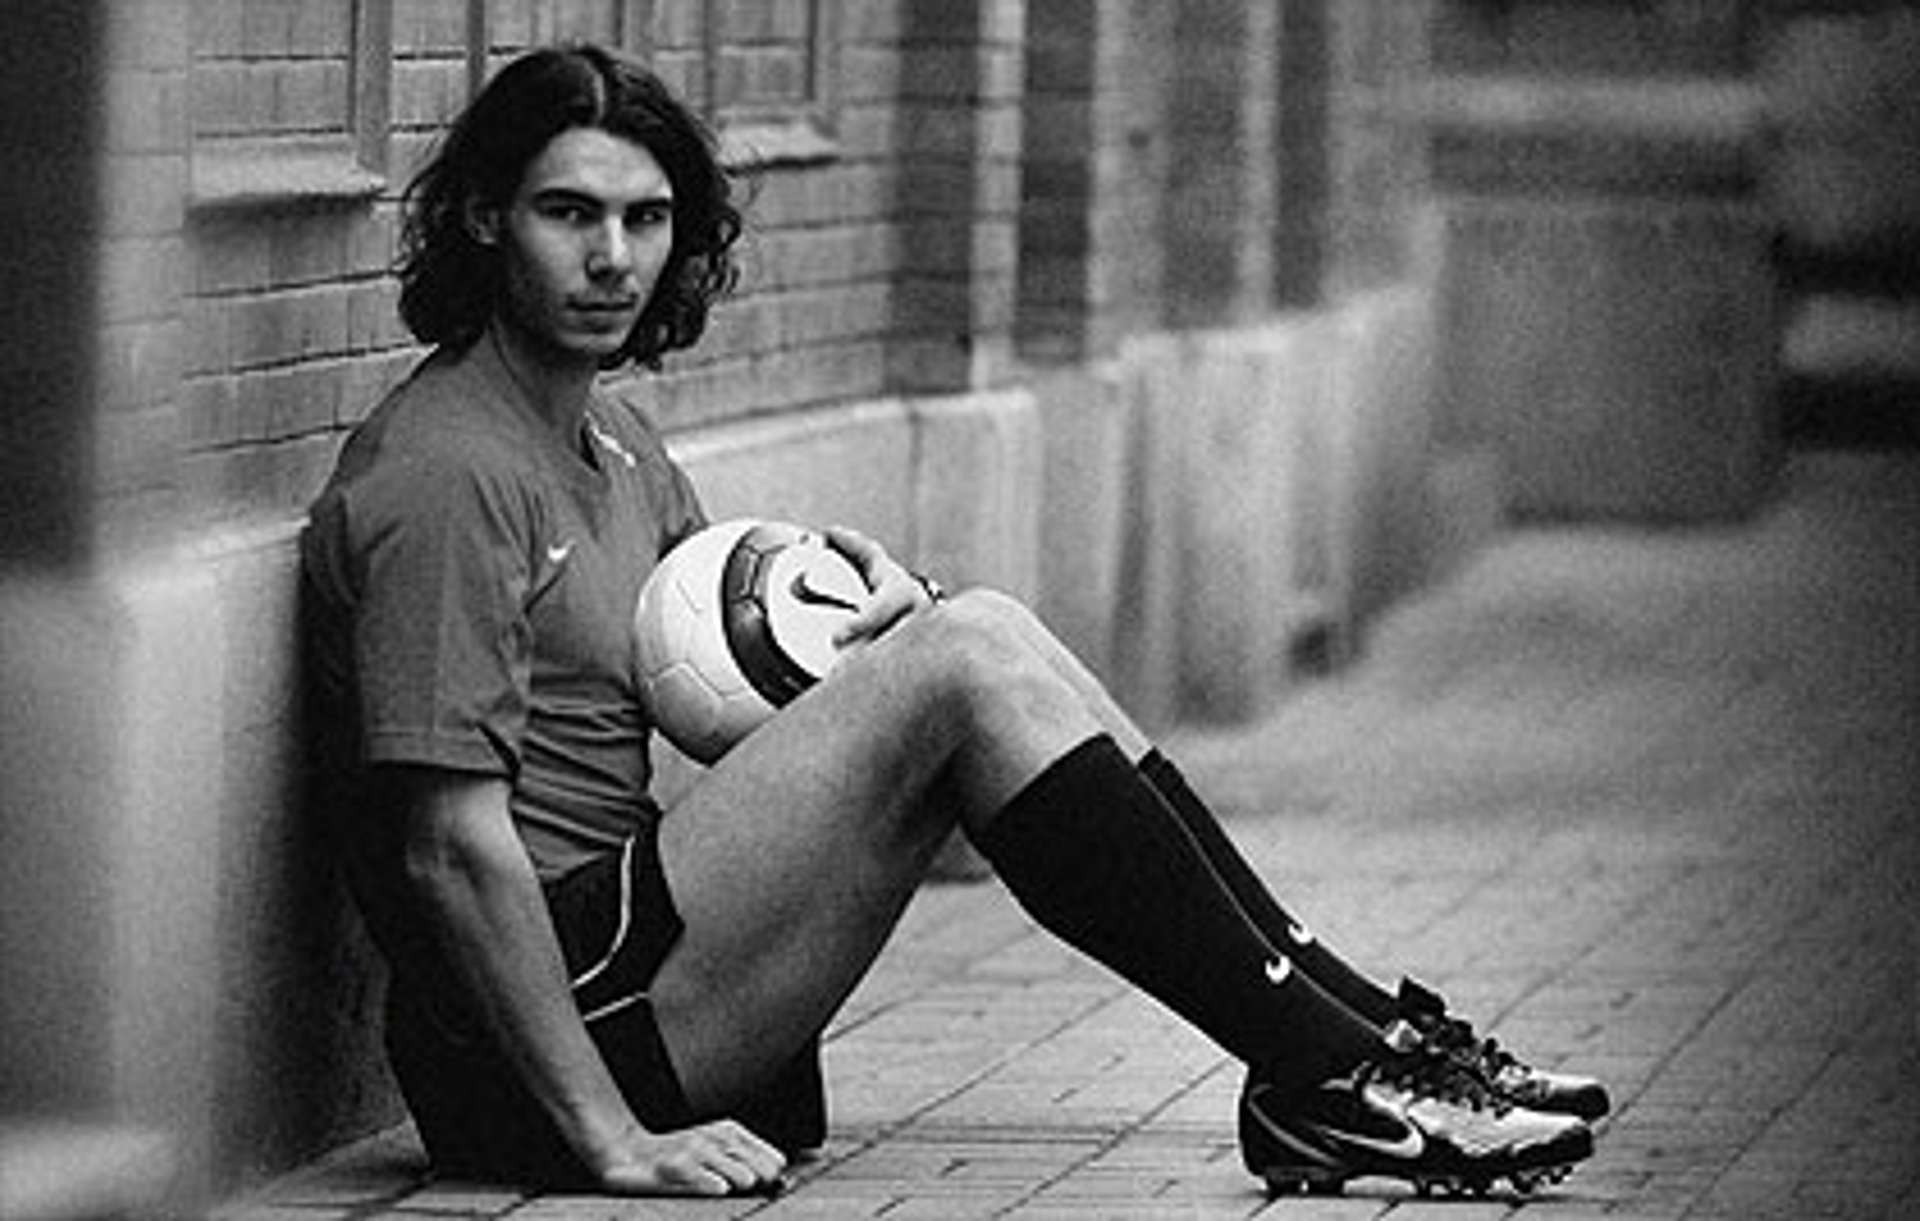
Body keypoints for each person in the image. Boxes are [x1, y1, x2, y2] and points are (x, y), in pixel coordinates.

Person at [300, 43, 1608, 1201]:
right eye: (568, 213)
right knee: (965, 653)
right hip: (535, 1050)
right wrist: (607, 1140)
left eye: (646, 218)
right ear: (485, 218)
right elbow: (445, 847)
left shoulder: (619, 444)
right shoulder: (446, 475)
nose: (613, 258)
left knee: (975, 628)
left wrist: (863, 628)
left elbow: (725, 710)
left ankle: (1362, 1041)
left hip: (644, 967)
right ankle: (1329, 1070)